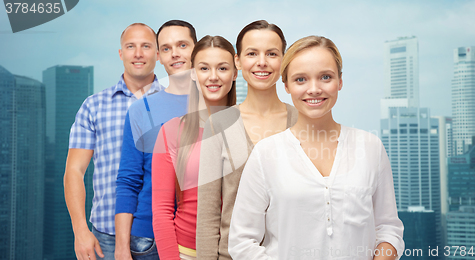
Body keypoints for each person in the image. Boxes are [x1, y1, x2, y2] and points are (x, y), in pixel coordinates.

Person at [228, 36, 405, 259]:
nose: (314, 89)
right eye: (300, 79)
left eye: (325, 77)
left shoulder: (370, 147)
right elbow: (242, 242)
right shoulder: (266, 154)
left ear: (340, 81)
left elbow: (389, 228)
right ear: (286, 86)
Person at [196, 20, 298, 260]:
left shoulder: (300, 121)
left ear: (283, 60)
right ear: (238, 61)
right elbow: (208, 214)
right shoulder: (219, 124)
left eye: (272, 54)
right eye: (252, 53)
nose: (262, 62)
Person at [64, 23, 163, 260]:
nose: (138, 54)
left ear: (158, 54)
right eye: (130, 46)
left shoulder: (176, 103)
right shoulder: (94, 106)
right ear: (121, 53)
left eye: (146, 46)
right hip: (104, 237)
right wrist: (80, 231)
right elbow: (74, 171)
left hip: (160, 235)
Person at [115, 20, 197, 260]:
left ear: (196, 48)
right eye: (166, 48)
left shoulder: (215, 104)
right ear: (159, 56)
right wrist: (121, 248)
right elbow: (128, 180)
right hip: (147, 239)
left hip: (200, 237)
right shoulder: (141, 110)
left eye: (182, 45)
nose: (175, 54)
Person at [152, 35, 237, 260]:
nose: (213, 77)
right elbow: (161, 211)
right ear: (192, 73)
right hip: (185, 253)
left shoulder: (246, 129)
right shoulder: (171, 131)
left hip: (239, 252)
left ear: (235, 73)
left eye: (223, 68)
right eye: (204, 68)